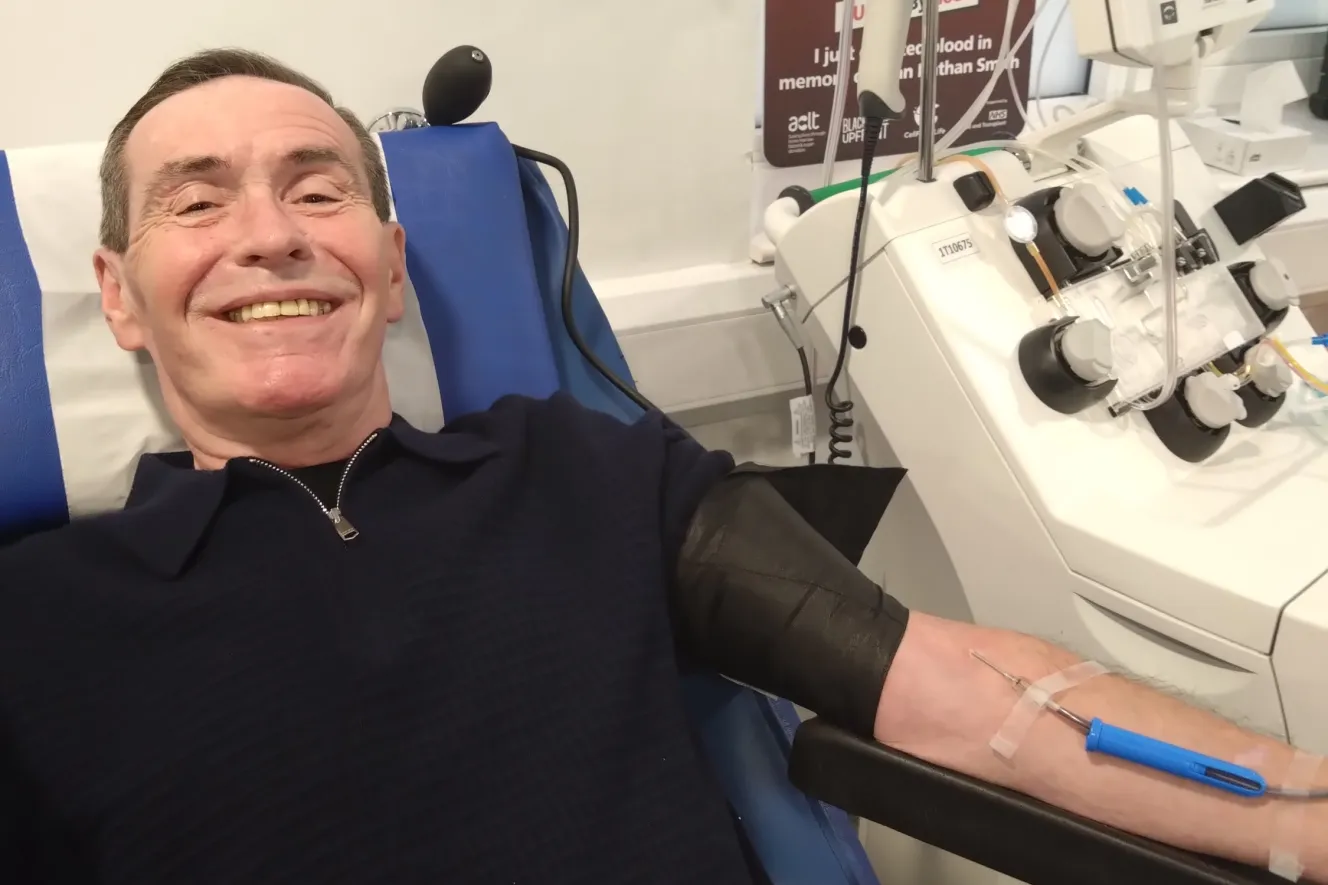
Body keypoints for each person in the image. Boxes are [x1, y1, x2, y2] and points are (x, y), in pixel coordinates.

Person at [0, 48, 1322, 885]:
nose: (269, 235)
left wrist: (1296, 812)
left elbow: (955, 682)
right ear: (119, 298)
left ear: (395, 269)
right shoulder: (40, 623)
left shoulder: (578, 472)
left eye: (318, 189)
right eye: (195, 200)